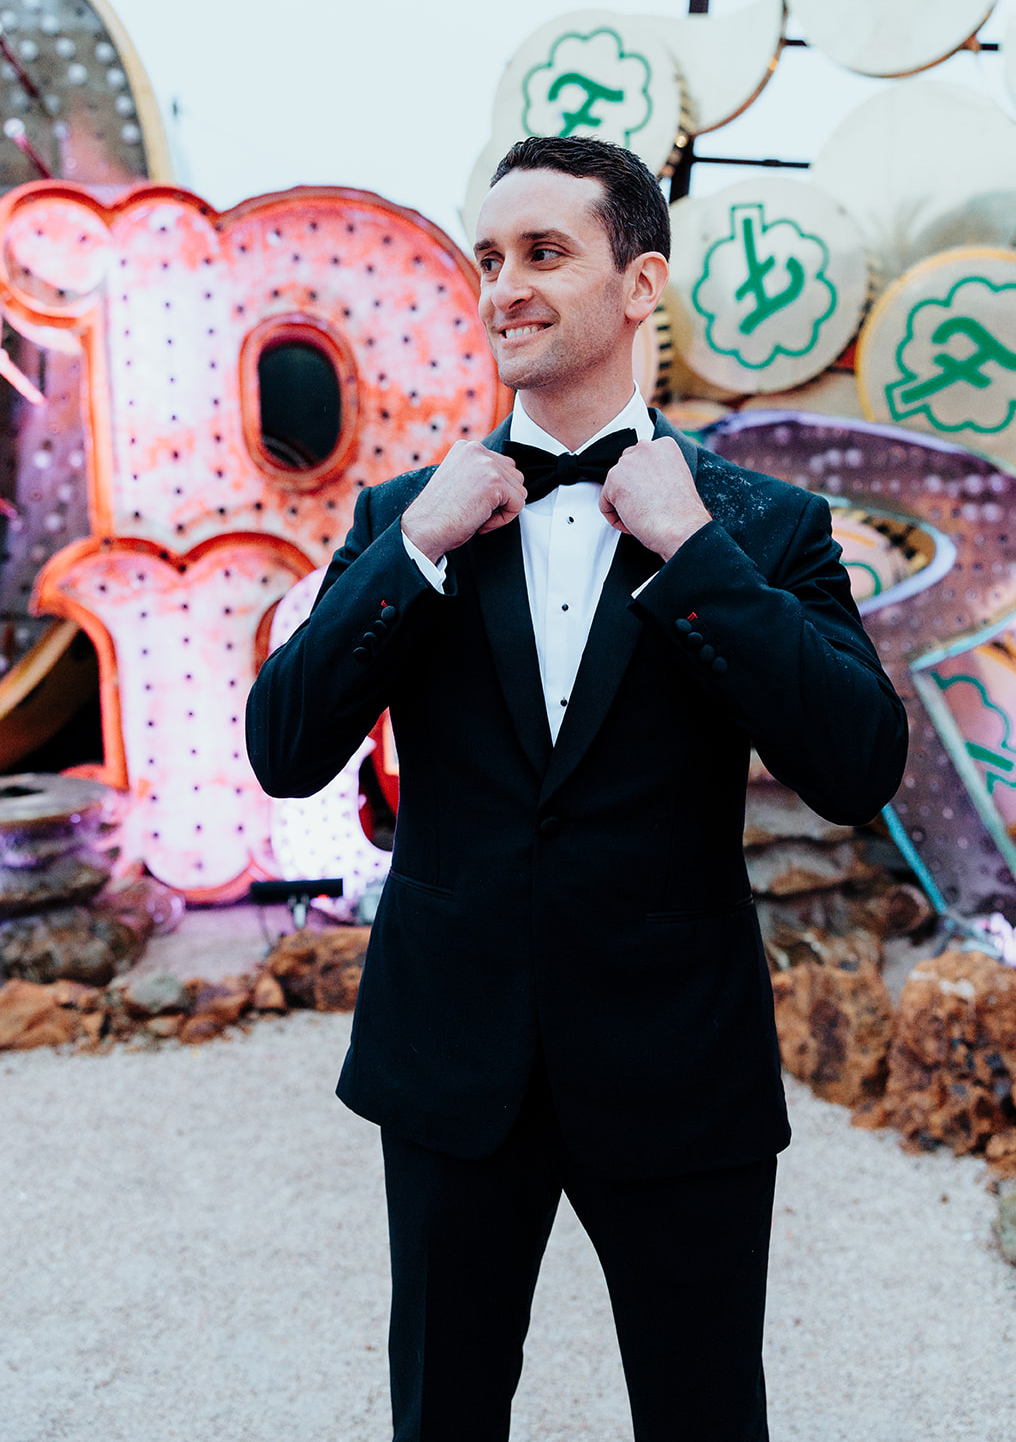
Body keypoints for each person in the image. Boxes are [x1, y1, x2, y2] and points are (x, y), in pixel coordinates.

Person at [245, 136, 908, 1442]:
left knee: (705, 1415)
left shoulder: (761, 526)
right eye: (490, 258)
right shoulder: (402, 515)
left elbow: (857, 767)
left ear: (640, 281)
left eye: (545, 252)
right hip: (450, 1064)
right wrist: (419, 552)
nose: (507, 286)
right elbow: (283, 747)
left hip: (678, 1066)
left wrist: (693, 550)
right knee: (444, 1416)